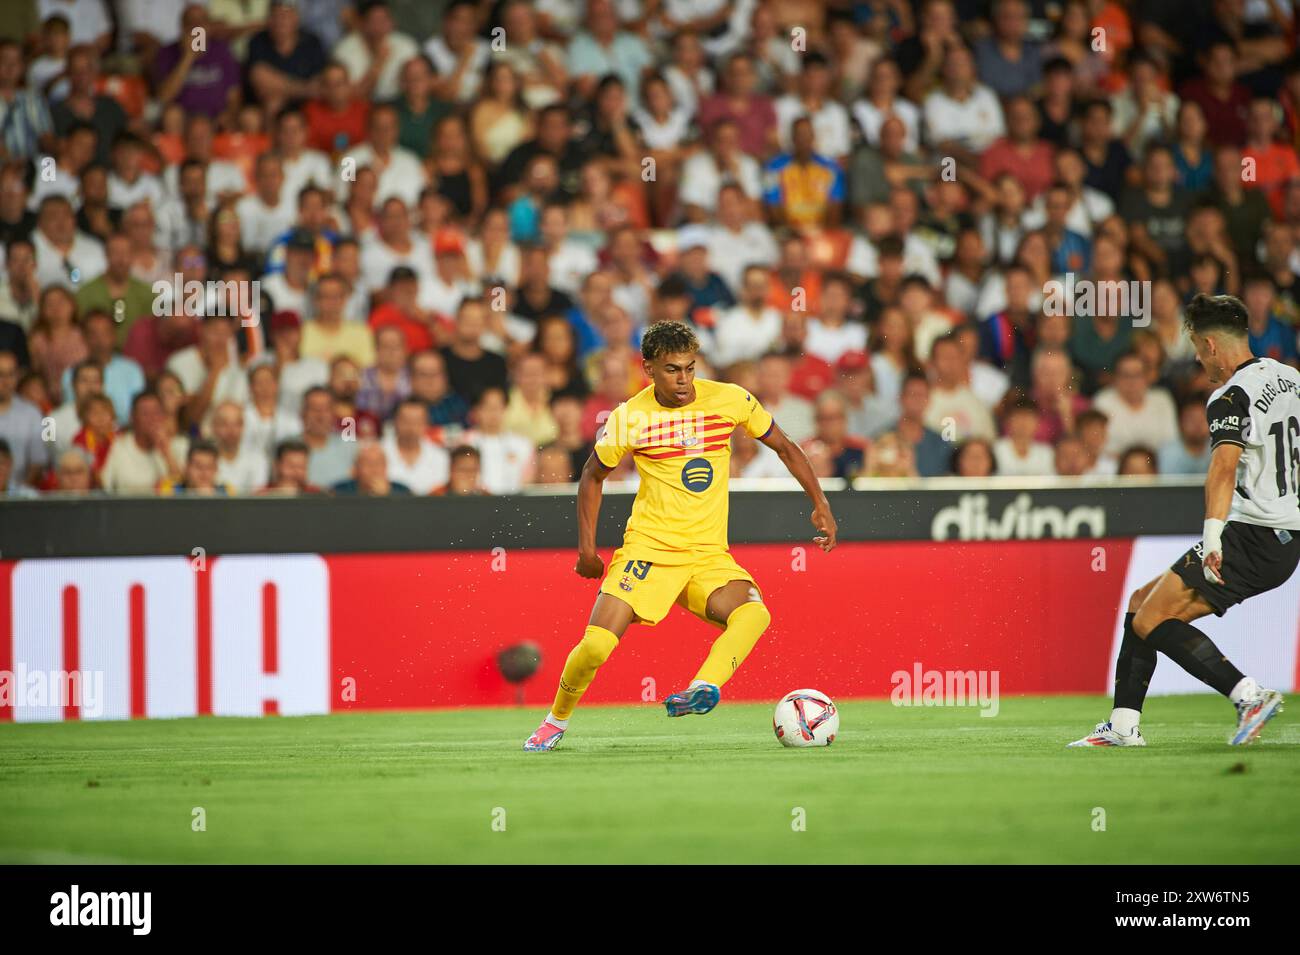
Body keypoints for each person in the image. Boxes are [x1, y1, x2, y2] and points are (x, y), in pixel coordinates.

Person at [523, 321, 838, 751]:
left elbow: (784, 445)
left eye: (690, 368)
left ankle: (703, 687)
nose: (685, 380)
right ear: (648, 368)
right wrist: (587, 550)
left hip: (708, 555)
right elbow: (591, 477)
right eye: (673, 370)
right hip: (648, 551)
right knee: (595, 646)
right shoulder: (630, 417)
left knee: (754, 614)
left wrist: (820, 501)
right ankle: (554, 721)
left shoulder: (729, 399)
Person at [1070, 294, 1291, 748]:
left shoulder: (1230, 396)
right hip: (1285, 536)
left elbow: (1223, 468)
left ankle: (1248, 695)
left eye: (1194, 345)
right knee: (1141, 602)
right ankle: (1124, 726)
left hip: (1251, 533)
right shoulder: (1291, 380)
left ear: (1210, 345)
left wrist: (1213, 536)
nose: (1194, 356)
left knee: (1150, 619)